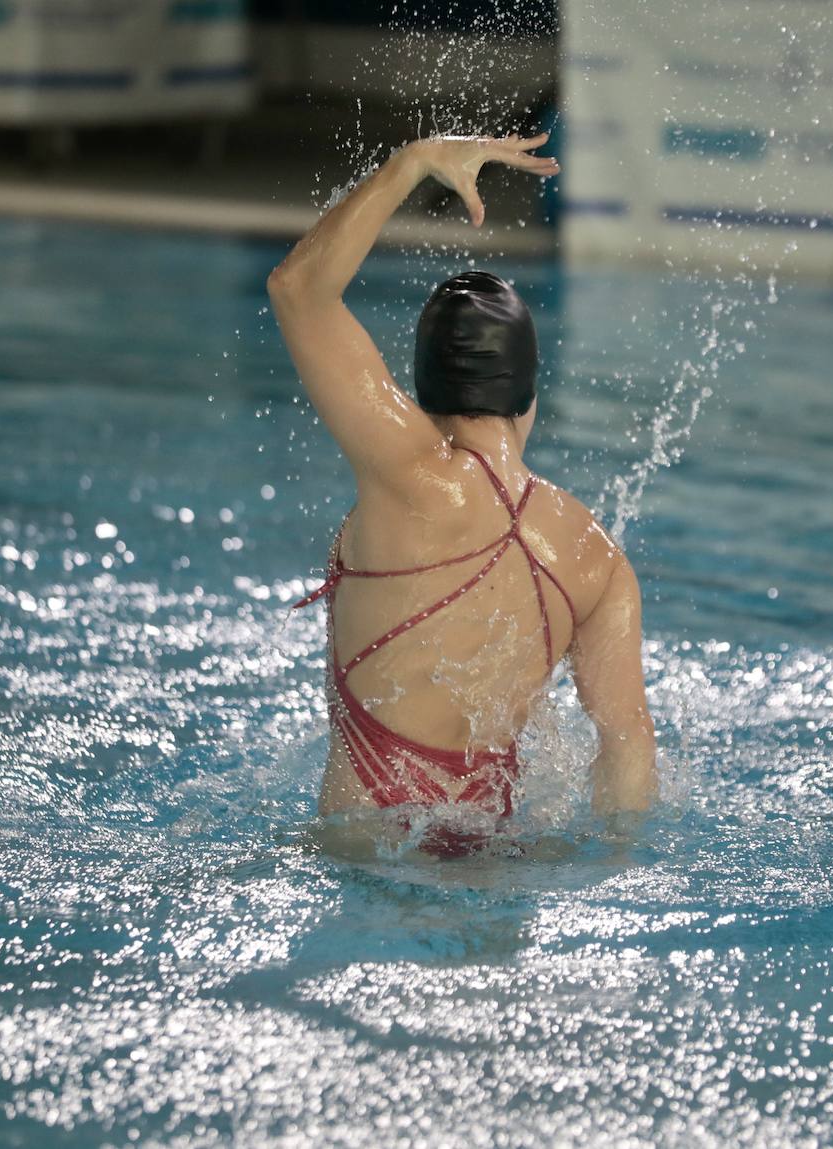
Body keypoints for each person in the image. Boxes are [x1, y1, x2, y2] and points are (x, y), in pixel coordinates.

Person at [268, 131, 656, 851]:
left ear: (422, 392)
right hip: (498, 853)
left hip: (369, 842)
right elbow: (628, 750)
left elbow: (298, 288)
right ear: (528, 396)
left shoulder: (408, 472)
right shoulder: (591, 552)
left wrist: (410, 163)